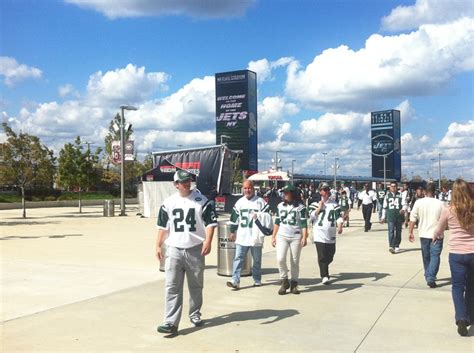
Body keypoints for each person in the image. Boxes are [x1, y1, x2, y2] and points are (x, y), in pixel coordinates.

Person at [155, 170, 217, 335]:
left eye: (189, 181)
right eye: (183, 182)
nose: (187, 184)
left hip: (195, 248)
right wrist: (157, 246)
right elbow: (163, 227)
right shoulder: (168, 203)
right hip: (174, 249)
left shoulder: (201, 201)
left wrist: (208, 241)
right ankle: (170, 322)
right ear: (176, 184)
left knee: (195, 285)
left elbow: (211, 223)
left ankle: (195, 313)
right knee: (172, 286)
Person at [432, 179, 474, 337]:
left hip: (457, 254)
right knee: (471, 286)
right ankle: (471, 314)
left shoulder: (448, 210)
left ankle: (461, 318)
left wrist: (435, 236)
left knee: (457, 287)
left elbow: (439, 228)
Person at [227, 180, 270, 289]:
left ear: (253, 188)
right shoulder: (239, 202)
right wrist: (232, 231)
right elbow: (234, 218)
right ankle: (235, 280)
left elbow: (267, 217)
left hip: (255, 236)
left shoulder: (260, 202)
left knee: (256, 259)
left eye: (249, 188)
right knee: (238, 258)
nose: (247, 190)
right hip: (242, 235)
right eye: (245, 188)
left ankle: (257, 279)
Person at [271, 184, 308, 295]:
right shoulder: (280, 206)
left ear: (293, 194)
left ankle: (294, 283)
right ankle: (284, 280)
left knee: (295, 261)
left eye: (287, 192)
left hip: (296, 236)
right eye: (284, 193)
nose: (284, 195)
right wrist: (273, 236)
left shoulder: (300, 207)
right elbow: (277, 222)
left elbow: (304, 223)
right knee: (280, 259)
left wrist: (305, 237)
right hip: (282, 235)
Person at [408, 183, 445, 288]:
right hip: (437, 234)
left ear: (424, 191)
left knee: (426, 256)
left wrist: (410, 232)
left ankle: (429, 275)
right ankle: (430, 276)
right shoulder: (441, 203)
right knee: (435, 256)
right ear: (435, 192)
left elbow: (413, 218)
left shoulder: (419, 202)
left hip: (423, 233)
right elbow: (444, 220)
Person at [309, 182, 343, 284]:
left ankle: (324, 266)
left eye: (328, 189)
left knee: (330, 255)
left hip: (331, 234)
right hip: (319, 233)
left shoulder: (334, 204)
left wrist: (340, 225)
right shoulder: (314, 204)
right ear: (320, 191)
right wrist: (320, 208)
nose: (327, 191)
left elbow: (339, 216)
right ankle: (324, 275)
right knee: (322, 256)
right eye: (324, 190)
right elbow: (310, 217)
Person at [381, 182, 406, 254]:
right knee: (391, 231)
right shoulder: (387, 196)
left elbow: (404, 204)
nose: (393, 188)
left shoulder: (400, 195)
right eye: (392, 186)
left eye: (395, 186)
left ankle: (397, 244)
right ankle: (391, 246)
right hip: (390, 216)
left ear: (397, 187)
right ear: (390, 187)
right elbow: (384, 207)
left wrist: (403, 209)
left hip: (398, 216)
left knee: (398, 231)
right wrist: (383, 217)